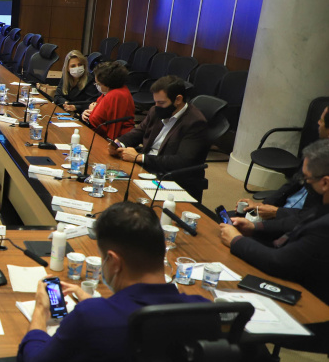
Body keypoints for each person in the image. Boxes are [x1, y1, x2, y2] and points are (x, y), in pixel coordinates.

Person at [17, 202, 208, 362]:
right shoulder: (203, 311)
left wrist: (41, 310)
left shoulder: (92, 318)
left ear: (113, 261)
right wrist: (104, 305)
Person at [220, 139, 329, 300]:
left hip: (309, 299)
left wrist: (236, 240)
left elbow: (278, 261)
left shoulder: (324, 225)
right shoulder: (322, 207)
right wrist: (254, 228)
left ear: (325, 182)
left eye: (307, 179)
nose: (304, 183)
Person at [110, 75, 209, 201]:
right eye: (155, 102)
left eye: (161, 103)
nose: (156, 106)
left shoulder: (195, 123)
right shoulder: (156, 110)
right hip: (147, 167)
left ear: (178, 99)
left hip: (170, 177)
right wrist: (119, 143)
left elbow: (183, 161)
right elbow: (139, 131)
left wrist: (140, 157)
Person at [234, 105, 329, 222]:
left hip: (295, 225)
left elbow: (313, 217)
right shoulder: (317, 151)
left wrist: (275, 213)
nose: (318, 123)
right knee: (230, 219)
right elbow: (292, 184)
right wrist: (262, 205)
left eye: (322, 120)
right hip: (281, 212)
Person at [81, 62, 134, 139]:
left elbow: (96, 120)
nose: (97, 86)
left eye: (98, 84)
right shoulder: (112, 91)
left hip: (117, 139)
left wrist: (92, 112)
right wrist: (86, 113)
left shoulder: (115, 95)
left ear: (107, 83)